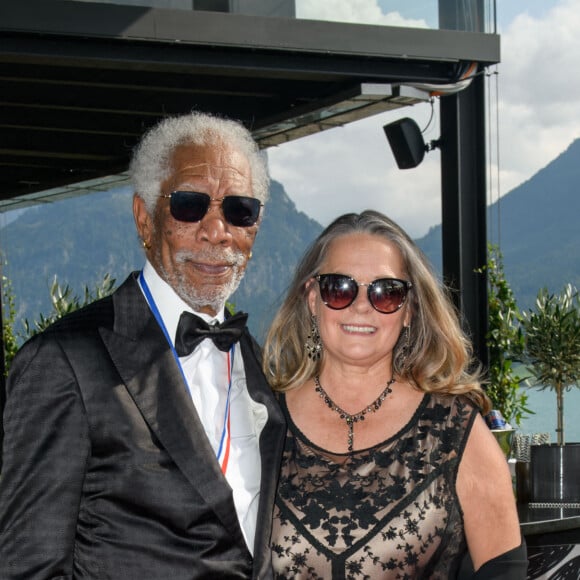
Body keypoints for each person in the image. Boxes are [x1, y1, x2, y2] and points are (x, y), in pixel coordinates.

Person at [0, 112, 286, 579]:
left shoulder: (259, 363)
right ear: (144, 218)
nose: (217, 231)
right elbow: (28, 567)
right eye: (191, 205)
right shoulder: (64, 361)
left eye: (239, 210)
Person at [263, 210, 527, 579]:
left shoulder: (456, 430)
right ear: (312, 299)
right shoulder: (260, 421)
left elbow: (504, 573)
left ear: (409, 311)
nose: (360, 306)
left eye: (386, 293)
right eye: (339, 287)